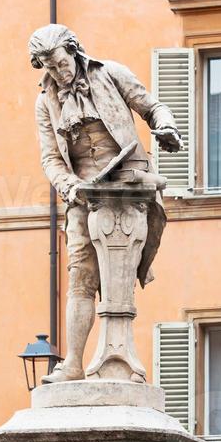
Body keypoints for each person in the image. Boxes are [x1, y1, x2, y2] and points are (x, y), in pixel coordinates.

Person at [29, 24, 183, 383]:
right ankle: (73, 365)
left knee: (120, 278)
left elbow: (152, 106)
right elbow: (51, 158)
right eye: (49, 67)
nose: (57, 71)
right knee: (80, 278)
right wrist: (70, 187)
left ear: (73, 50)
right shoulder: (45, 102)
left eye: (60, 62)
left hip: (129, 185)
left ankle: (120, 359)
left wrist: (167, 127)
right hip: (84, 195)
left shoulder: (110, 74)